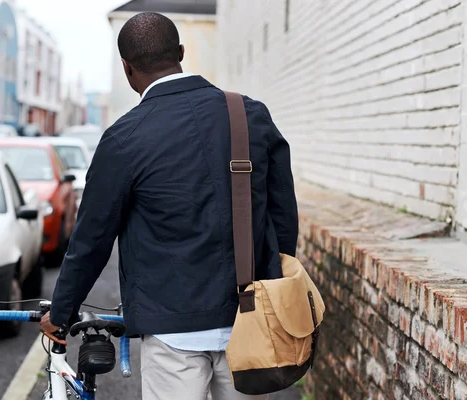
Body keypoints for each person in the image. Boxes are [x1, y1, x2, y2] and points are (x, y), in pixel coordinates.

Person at [40, 11, 298, 400]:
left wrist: (61, 313)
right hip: (250, 322)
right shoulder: (249, 114)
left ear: (127, 70)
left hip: (171, 329)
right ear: (180, 51)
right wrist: (272, 288)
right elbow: (282, 215)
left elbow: (91, 240)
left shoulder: (124, 138)